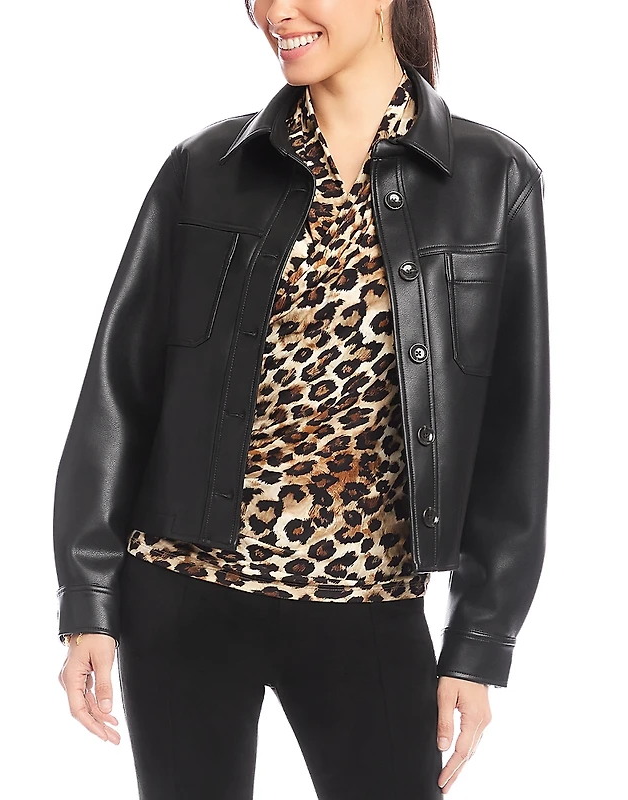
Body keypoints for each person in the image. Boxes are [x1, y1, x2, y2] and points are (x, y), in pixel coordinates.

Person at [54, 1, 550, 798]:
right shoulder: (205, 167)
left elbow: (513, 431)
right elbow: (119, 386)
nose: (274, 12)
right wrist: (88, 599)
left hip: (367, 604)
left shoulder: (492, 179)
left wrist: (480, 642)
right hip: (182, 598)